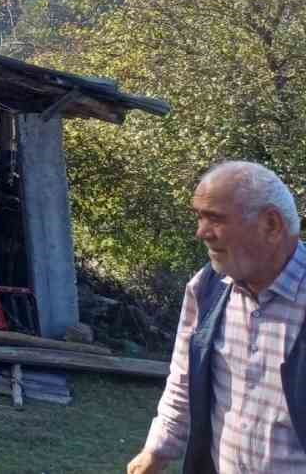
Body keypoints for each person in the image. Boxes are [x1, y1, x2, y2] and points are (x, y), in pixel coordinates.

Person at [128, 161, 306, 473]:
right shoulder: (206, 288)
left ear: (272, 225)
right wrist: (156, 450)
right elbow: (184, 378)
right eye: (199, 217)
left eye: (216, 219)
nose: (201, 233)